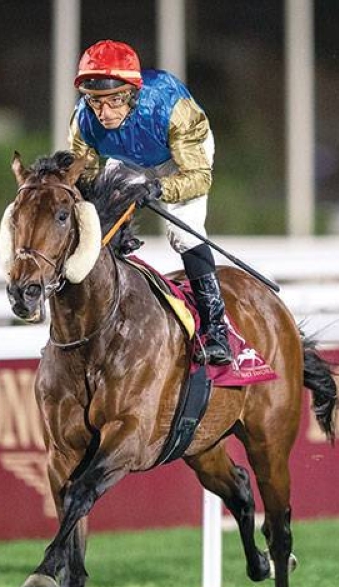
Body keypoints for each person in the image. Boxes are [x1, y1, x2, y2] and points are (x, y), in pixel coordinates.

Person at [68, 39, 232, 365]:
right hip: (127, 159)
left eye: (114, 101)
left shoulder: (173, 109)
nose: (104, 113)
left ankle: (216, 330)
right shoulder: (83, 122)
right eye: (95, 102)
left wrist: (159, 188)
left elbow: (199, 177)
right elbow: (80, 182)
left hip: (180, 158)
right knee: (101, 228)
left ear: (131, 93)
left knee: (183, 233)